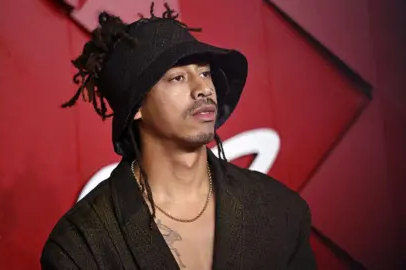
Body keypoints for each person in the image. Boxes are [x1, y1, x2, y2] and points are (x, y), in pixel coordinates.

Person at [41, 3, 316, 269]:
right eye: (178, 78)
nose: (204, 89)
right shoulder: (81, 245)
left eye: (205, 73)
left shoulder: (280, 210)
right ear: (136, 106)